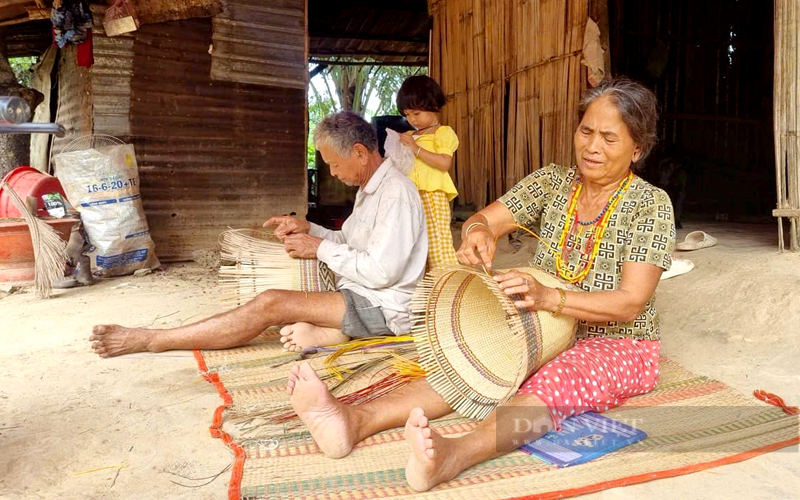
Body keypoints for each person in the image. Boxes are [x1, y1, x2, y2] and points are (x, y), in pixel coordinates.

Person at [285, 78, 676, 491]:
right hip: (544, 322)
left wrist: (548, 297)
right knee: (464, 359)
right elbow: (483, 218)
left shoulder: (649, 204)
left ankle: (455, 455)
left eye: (609, 138)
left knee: (555, 382)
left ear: (637, 149)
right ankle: (352, 420)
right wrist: (478, 233)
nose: (592, 146)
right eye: (586, 131)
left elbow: (630, 303)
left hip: (616, 342)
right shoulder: (555, 182)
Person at [90, 112, 427, 357]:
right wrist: (311, 230)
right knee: (277, 300)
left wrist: (319, 247)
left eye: (334, 164)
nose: (333, 173)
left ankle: (155, 339)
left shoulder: (396, 193)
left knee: (271, 303)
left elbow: (383, 272)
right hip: (360, 294)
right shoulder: (371, 190)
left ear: (359, 152)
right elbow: (353, 245)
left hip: (381, 307)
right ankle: (331, 333)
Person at [396, 75, 460, 269]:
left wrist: (416, 149)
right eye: (407, 115)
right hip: (408, 196)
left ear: (433, 105)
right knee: (411, 242)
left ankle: (446, 284)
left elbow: (443, 163)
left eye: (416, 113)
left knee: (437, 244)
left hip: (432, 196)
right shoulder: (408, 136)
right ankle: (421, 286)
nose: (412, 119)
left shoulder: (442, 133)